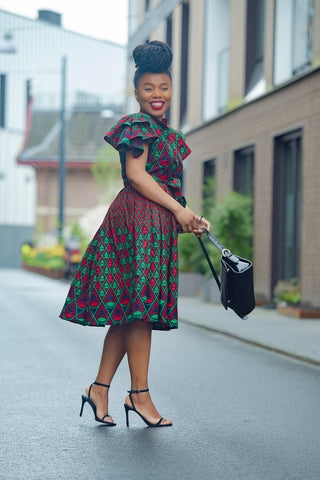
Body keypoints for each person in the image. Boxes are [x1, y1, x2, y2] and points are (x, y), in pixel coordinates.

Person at [59, 40, 210, 428]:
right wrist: (178, 210)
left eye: (163, 87)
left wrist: (188, 217)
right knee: (139, 313)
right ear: (137, 92)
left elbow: (167, 187)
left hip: (154, 225)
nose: (157, 95)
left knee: (129, 313)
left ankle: (99, 388)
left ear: (172, 89)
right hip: (136, 225)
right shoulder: (137, 126)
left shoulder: (168, 134)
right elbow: (138, 175)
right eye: (148, 89)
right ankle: (139, 395)